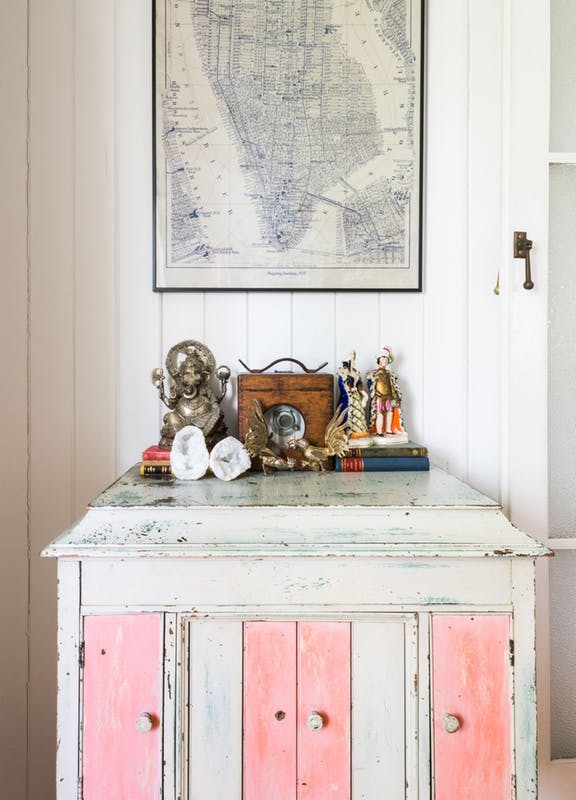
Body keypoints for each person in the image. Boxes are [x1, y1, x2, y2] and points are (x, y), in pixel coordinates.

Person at [366, 346, 405, 439]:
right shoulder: (374, 374)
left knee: (390, 412)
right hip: (379, 397)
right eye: (383, 359)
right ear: (379, 360)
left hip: (389, 397)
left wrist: (395, 397)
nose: (385, 361)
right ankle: (379, 431)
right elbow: (371, 385)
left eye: (386, 359)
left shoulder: (390, 374)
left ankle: (388, 429)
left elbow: (392, 386)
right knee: (379, 413)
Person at [337, 351, 371, 445]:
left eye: (354, 360)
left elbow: (359, 387)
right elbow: (342, 386)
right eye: (353, 360)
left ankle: (358, 434)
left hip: (356, 397)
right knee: (348, 414)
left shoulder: (356, 373)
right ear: (348, 362)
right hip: (348, 398)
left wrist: (365, 395)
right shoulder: (343, 373)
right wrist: (351, 389)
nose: (354, 362)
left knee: (359, 414)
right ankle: (349, 433)